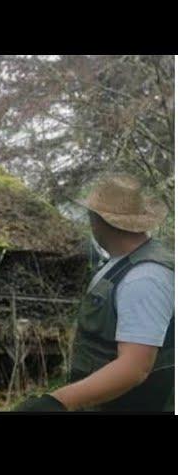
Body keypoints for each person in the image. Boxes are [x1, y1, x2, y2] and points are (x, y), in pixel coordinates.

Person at [15, 174, 174, 412]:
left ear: (98, 220)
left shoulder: (144, 277)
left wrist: (57, 402)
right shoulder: (121, 263)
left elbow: (135, 367)